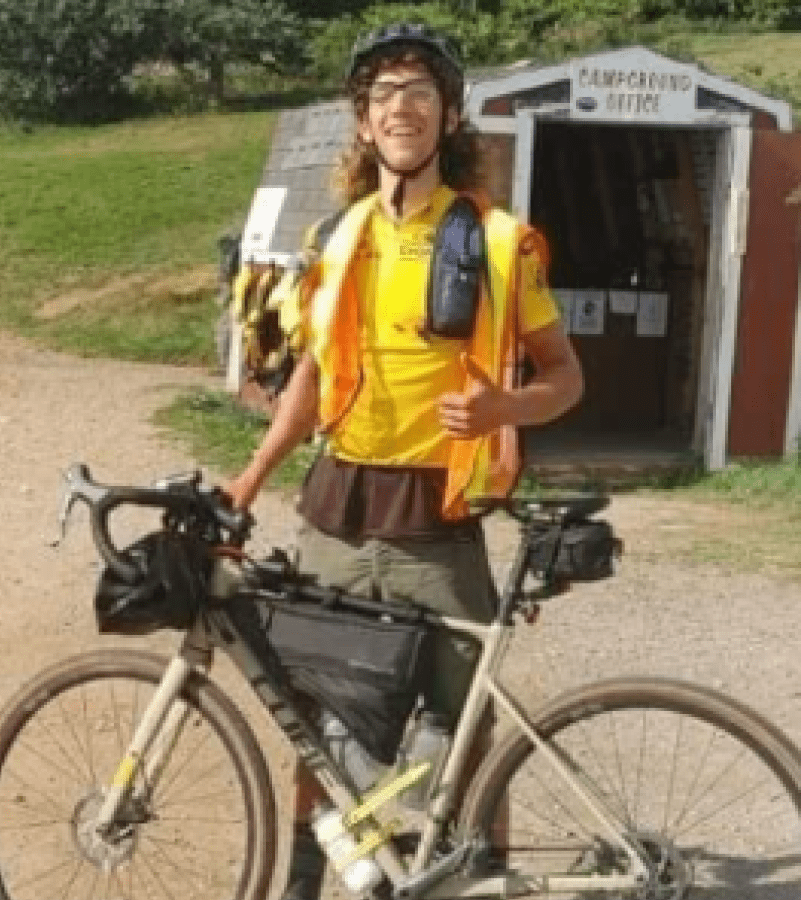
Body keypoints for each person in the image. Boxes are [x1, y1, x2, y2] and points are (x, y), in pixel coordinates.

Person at [225, 22, 584, 900]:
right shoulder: (339, 237)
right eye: (383, 93)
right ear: (363, 120)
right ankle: (305, 884)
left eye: (420, 91)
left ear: (449, 115)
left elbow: (566, 379)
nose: (401, 107)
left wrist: (503, 408)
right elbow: (313, 378)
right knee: (316, 712)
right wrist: (252, 476)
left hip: (438, 519)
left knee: (466, 724)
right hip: (338, 510)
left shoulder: (497, 242)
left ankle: (479, 875)